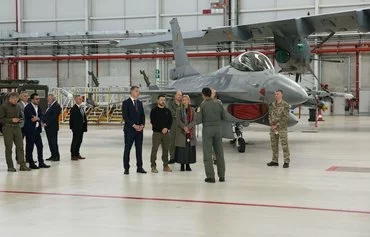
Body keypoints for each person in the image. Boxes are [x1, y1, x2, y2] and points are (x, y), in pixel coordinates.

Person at [197, 87, 226, 183]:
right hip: (218, 129)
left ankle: (211, 177)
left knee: (207, 154)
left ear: (203, 95)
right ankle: (222, 176)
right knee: (220, 153)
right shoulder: (218, 103)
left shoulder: (203, 105)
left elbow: (199, 120)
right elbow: (224, 116)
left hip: (207, 130)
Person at [0, 92, 31, 172]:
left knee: (20, 147)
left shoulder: (17, 106)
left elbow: (21, 115)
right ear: (10, 99)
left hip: (17, 128)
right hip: (7, 128)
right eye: (14, 100)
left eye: (17, 100)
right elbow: (1, 119)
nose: (16, 101)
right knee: (9, 148)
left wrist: (20, 119)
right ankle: (10, 166)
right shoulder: (3, 107)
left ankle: (22, 165)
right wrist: (11, 120)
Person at [122, 86, 147, 175]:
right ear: (132, 92)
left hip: (139, 131)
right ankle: (126, 168)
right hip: (129, 130)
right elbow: (125, 116)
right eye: (136, 91)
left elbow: (143, 115)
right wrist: (134, 125)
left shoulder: (139, 103)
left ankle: (139, 167)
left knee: (139, 149)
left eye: (138, 91)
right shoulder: (126, 103)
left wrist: (142, 125)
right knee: (127, 149)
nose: (138, 93)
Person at [24, 93, 50, 169]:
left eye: (38, 99)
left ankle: (41, 162)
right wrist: (39, 118)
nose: (38, 100)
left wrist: (38, 118)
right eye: (36, 99)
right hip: (30, 130)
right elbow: (31, 118)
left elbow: (42, 116)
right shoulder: (28, 107)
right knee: (30, 147)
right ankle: (31, 163)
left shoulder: (38, 107)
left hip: (37, 130)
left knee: (40, 146)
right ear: (32, 100)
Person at [267, 89, 291, 168]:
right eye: (275, 94)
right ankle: (275, 161)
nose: (276, 96)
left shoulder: (285, 105)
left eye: (278, 94)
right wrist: (271, 125)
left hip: (281, 128)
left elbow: (285, 118)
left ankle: (286, 161)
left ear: (281, 95)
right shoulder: (272, 105)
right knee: (274, 145)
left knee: (284, 145)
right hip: (273, 128)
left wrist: (276, 125)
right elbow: (269, 115)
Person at [149, 95, 173, 173]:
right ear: (157, 101)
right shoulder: (154, 111)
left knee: (166, 150)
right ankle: (153, 166)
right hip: (157, 133)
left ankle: (165, 166)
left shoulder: (167, 111)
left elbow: (170, 121)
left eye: (164, 100)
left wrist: (167, 128)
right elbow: (153, 122)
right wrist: (161, 129)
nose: (163, 101)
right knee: (154, 149)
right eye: (161, 100)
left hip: (166, 133)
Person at [175, 95, 197, 171]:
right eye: (183, 100)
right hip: (182, 132)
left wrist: (188, 127)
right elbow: (178, 120)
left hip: (190, 132)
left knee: (189, 149)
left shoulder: (193, 110)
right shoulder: (179, 110)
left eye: (186, 100)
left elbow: (194, 120)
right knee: (182, 149)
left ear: (189, 101)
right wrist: (184, 127)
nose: (184, 101)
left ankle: (188, 165)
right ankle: (182, 165)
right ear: (182, 101)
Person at [44, 94, 62, 161]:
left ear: (53, 98)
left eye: (49, 98)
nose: (47, 99)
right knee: (50, 142)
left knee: (53, 142)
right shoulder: (50, 106)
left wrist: (46, 123)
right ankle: (53, 155)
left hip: (52, 127)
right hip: (48, 127)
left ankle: (56, 156)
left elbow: (53, 117)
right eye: (47, 98)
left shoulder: (56, 106)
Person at [69, 95, 87, 161]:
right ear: (76, 100)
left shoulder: (81, 107)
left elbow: (83, 117)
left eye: (81, 99)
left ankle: (77, 153)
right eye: (79, 99)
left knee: (79, 141)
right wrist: (72, 128)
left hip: (81, 127)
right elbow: (71, 119)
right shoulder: (74, 108)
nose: (81, 100)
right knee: (75, 141)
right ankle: (73, 155)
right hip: (76, 128)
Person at [168, 90, 183, 164]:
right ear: (175, 96)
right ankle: (172, 157)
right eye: (178, 95)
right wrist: (177, 115)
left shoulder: (183, 104)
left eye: (181, 95)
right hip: (173, 125)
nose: (179, 96)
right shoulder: (170, 103)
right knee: (172, 142)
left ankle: (180, 158)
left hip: (181, 125)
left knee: (181, 142)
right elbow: (170, 111)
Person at [210, 88, 222, 165]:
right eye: (211, 93)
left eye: (213, 93)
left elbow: (221, 112)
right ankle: (212, 158)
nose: (212, 94)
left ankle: (216, 158)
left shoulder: (218, 102)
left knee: (216, 143)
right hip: (208, 126)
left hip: (216, 125)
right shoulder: (205, 102)